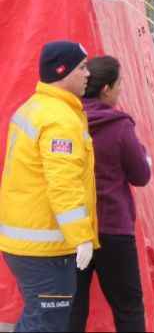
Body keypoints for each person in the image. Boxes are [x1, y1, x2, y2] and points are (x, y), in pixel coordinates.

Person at [0, 41, 99, 332]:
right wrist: (81, 236)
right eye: (81, 67)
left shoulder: (37, 108)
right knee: (46, 323)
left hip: (31, 241)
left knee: (42, 319)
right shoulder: (59, 119)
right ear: (62, 71)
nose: (88, 74)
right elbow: (63, 184)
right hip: (45, 247)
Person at [69, 56, 151, 332]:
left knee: (73, 309)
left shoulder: (68, 120)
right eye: (119, 84)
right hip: (113, 227)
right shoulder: (119, 126)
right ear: (106, 88)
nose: (121, 90)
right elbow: (141, 175)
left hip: (73, 228)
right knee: (128, 308)